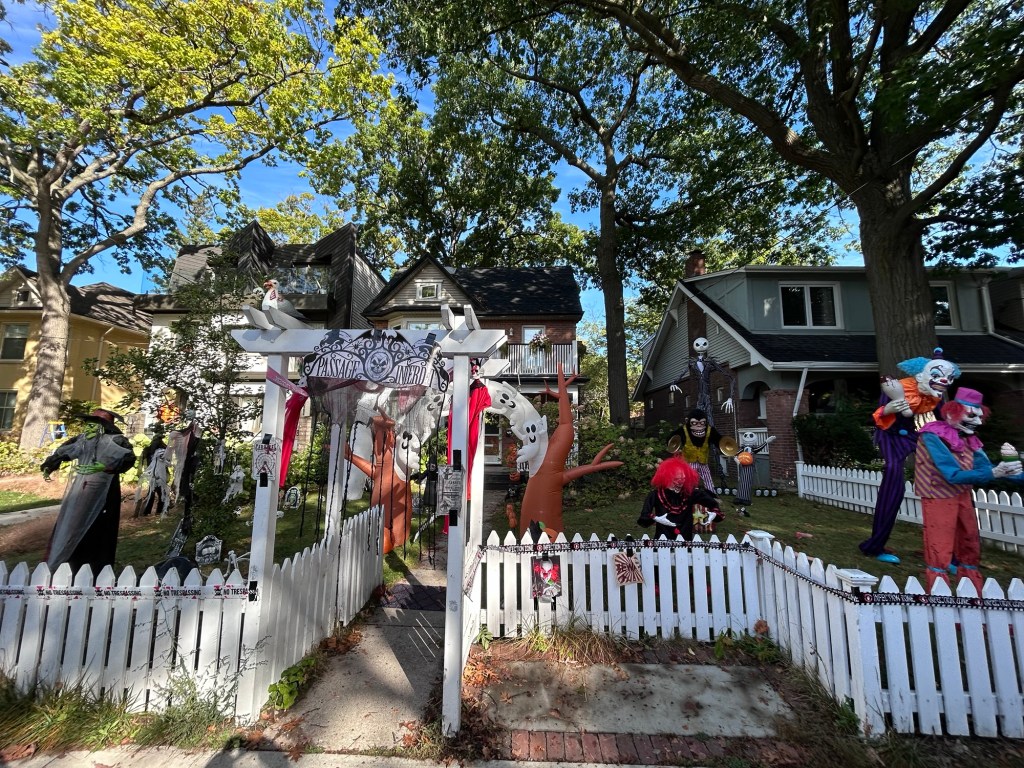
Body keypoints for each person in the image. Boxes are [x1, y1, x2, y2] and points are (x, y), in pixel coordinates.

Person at [914, 387, 1023, 592]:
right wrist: (995, 472)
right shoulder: (932, 436)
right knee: (939, 545)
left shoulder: (969, 438)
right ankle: (939, 597)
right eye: (972, 416)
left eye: (980, 417)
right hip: (937, 495)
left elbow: (984, 468)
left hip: (962, 493)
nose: (978, 422)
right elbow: (952, 474)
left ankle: (973, 595)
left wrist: (1014, 472)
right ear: (950, 413)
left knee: (969, 540)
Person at [860, 348, 960, 564]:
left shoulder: (935, 395)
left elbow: (942, 418)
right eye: (938, 375)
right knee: (893, 478)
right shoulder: (899, 387)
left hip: (918, 435)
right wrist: (888, 409)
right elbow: (879, 413)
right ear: (923, 374)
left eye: (949, 378)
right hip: (891, 435)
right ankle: (875, 545)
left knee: (945, 480)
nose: (944, 381)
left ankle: (949, 553)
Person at [41, 409, 136, 574]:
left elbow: (129, 459)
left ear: (103, 427)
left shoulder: (117, 441)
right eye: (88, 424)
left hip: (105, 493)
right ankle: (70, 565)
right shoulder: (82, 440)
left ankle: (97, 568)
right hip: (81, 491)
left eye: (94, 425)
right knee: (73, 523)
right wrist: (49, 465)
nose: (88, 428)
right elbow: (63, 452)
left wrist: (107, 467)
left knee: (100, 528)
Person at [637, 455, 721, 541]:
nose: (681, 482)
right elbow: (645, 515)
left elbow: (712, 503)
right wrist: (655, 518)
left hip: (685, 538)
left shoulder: (690, 493)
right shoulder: (656, 495)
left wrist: (714, 513)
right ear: (668, 478)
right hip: (663, 538)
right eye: (677, 479)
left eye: (683, 479)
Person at [668, 408, 724, 492]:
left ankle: (711, 494)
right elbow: (672, 439)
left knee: (707, 478)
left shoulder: (709, 430)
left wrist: (726, 447)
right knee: (687, 478)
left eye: (702, 423)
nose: (698, 426)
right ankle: (686, 493)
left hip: (703, 461)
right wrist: (672, 445)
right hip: (689, 461)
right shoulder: (684, 430)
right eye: (694, 423)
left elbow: (719, 440)